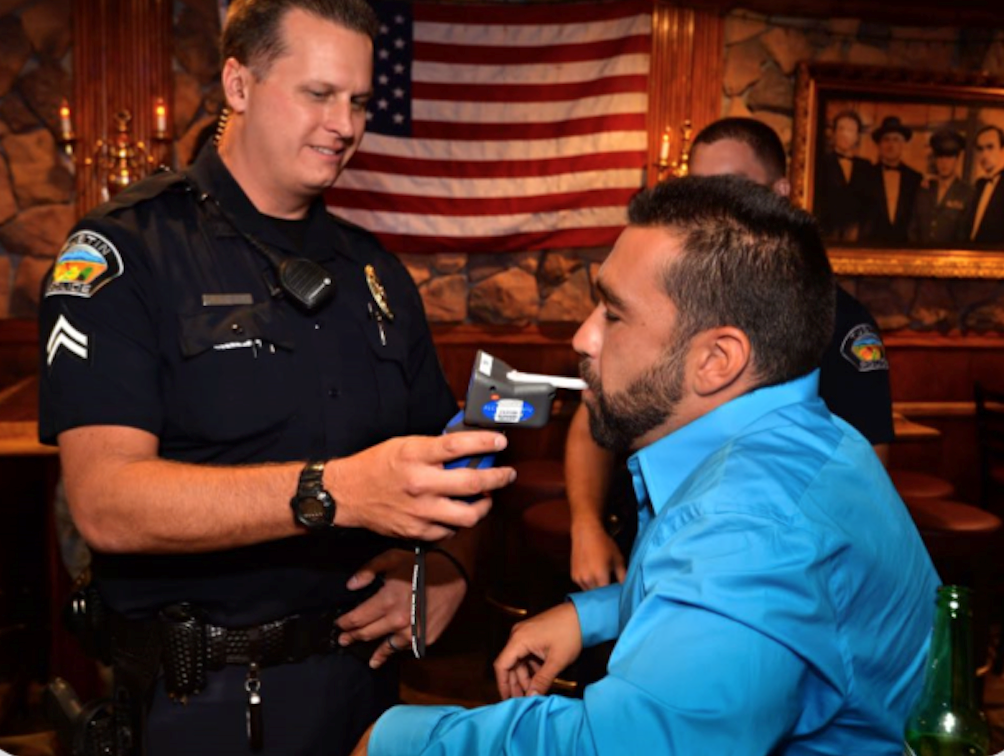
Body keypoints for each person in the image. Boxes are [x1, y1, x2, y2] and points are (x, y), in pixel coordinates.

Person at [37, 1, 515, 754]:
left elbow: (455, 461)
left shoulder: (375, 273)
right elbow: (106, 503)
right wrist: (338, 491)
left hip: (365, 688)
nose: (345, 124)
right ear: (238, 83)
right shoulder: (125, 254)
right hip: (198, 701)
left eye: (358, 101)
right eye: (318, 94)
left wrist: (444, 568)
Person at [351, 176, 940, 756]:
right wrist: (595, 614)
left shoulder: (748, 525)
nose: (584, 337)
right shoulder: (816, 435)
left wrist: (403, 739)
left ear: (716, 360)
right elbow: (733, 601)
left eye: (613, 313)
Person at [566, 117, 894, 591]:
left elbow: (863, 479)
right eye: (699, 189)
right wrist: (586, 527)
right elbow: (598, 406)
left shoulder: (839, 322)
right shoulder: (663, 300)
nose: (712, 207)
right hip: (653, 550)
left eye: (730, 188)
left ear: (780, 192)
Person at [859, 116, 923, 243]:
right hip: (871, 247)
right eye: (886, 139)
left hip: (906, 248)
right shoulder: (864, 176)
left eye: (896, 140)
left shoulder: (916, 178)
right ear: (879, 145)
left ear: (903, 144)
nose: (891, 145)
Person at [908, 129, 973, 245]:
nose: (944, 163)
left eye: (949, 157)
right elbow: (913, 229)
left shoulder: (968, 193)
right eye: (940, 157)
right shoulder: (924, 189)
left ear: (957, 159)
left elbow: (965, 235)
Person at [815, 109, 871, 241]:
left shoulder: (866, 167)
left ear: (857, 136)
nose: (845, 134)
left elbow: (870, 204)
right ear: (833, 133)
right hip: (827, 235)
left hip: (859, 238)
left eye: (850, 130)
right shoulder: (820, 163)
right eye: (841, 129)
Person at [962, 125, 1004, 244]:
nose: (984, 154)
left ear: (1002, 149)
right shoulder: (979, 185)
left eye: (990, 147)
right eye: (980, 149)